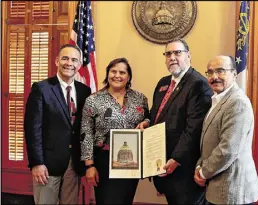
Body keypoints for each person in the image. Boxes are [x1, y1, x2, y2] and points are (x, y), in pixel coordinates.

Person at [138, 38, 213, 204]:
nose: (172, 57)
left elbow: (194, 128)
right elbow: (156, 113)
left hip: (183, 169)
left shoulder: (199, 84)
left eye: (177, 52)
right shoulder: (163, 83)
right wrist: (147, 122)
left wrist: (177, 159)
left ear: (189, 56)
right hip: (162, 164)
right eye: (168, 54)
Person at [24, 44, 91, 204]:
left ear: (79, 65)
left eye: (74, 60)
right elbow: (32, 129)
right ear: (56, 61)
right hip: (47, 164)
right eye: (65, 58)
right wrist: (37, 163)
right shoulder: (42, 88)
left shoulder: (84, 91)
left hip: (74, 163)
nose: (69, 63)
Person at [80, 57, 150, 204]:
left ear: (128, 76)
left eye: (122, 72)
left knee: (126, 200)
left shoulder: (140, 98)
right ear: (108, 74)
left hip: (131, 159)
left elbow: (149, 120)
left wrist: (146, 122)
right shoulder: (93, 100)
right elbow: (86, 134)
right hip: (104, 160)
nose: (117, 75)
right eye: (113, 71)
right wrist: (89, 165)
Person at [194, 55, 258, 205]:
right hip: (220, 188)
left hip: (233, 190)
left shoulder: (237, 103)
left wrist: (203, 172)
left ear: (234, 74)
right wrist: (200, 165)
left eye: (221, 71)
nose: (214, 77)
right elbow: (208, 140)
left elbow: (228, 149)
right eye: (210, 72)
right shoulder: (218, 99)